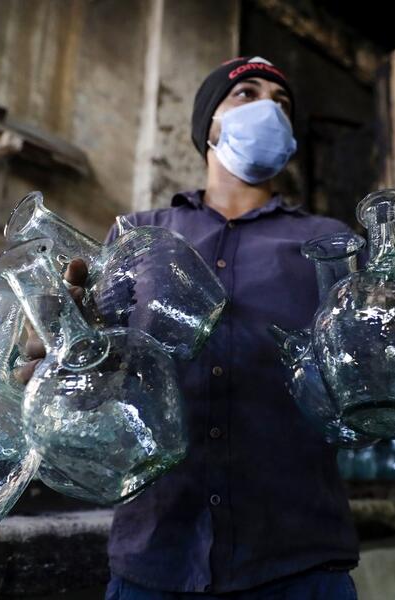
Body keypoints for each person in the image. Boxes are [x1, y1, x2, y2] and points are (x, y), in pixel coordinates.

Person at [23, 57, 361, 599]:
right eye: (246, 94)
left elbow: (365, 371)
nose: (269, 108)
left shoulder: (330, 242)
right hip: (157, 554)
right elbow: (100, 378)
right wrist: (62, 351)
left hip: (299, 556)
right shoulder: (139, 233)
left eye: (282, 102)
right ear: (208, 126)